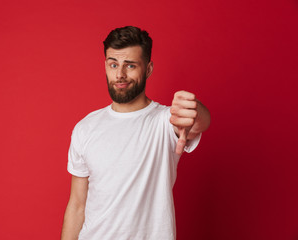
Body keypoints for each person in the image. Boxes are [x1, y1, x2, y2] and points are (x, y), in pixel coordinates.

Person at [61, 26, 211, 240]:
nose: (120, 74)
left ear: (148, 69)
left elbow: (198, 123)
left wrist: (193, 108)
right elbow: (77, 204)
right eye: (113, 64)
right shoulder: (85, 128)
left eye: (130, 65)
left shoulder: (165, 121)